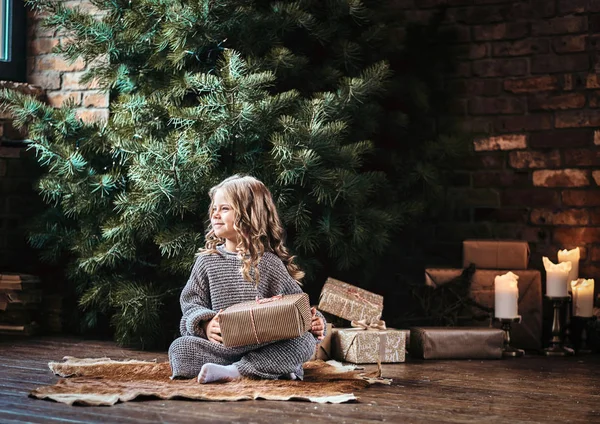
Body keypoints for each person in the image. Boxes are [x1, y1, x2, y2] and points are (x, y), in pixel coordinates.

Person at [168, 175, 326, 383]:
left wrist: (316, 322)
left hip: (265, 344)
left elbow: (298, 306)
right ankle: (265, 369)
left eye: (224, 209)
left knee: (304, 341)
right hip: (222, 348)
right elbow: (191, 304)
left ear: (249, 215)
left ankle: (238, 371)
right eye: (214, 208)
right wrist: (205, 325)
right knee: (180, 348)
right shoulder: (207, 262)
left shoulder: (269, 263)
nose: (215, 215)